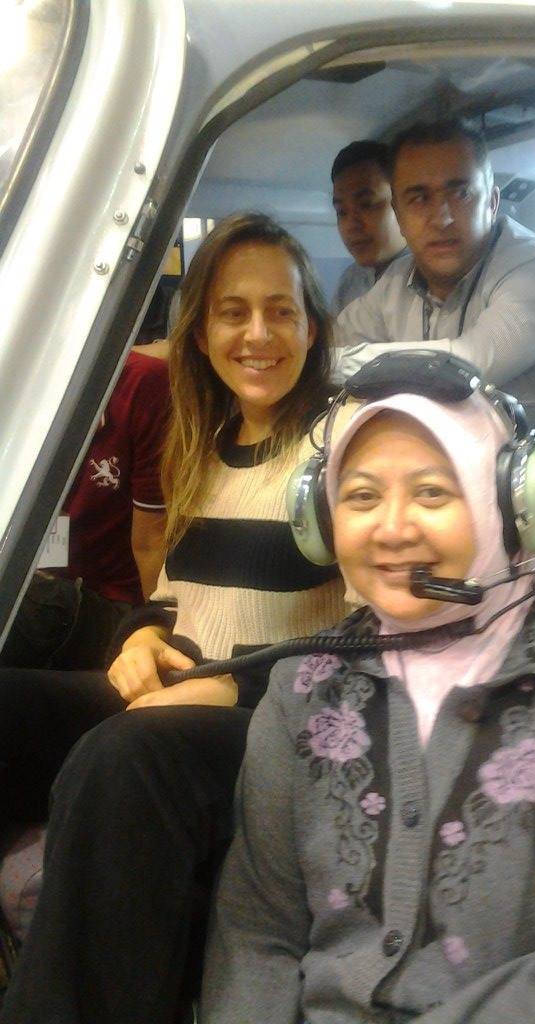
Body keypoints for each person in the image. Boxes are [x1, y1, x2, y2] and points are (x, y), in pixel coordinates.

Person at [201, 361, 535, 1024]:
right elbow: (255, 935)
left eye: (432, 493)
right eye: (360, 496)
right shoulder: (303, 688)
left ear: (515, 509)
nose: (392, 529)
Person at [0, 212, 348, 1024]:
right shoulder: (202, 441)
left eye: (281, 311)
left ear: (312, 327)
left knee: (126, 755)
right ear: (200, 332)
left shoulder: (345, 442)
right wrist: (142, 638)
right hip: (186, 687)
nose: (257, 334)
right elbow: (169, 594)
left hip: (282, 714)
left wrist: (236, 689)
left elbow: (379, 638)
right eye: (233, 312)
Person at [334, 119, 535, 467]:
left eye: (460, 193)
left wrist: (330, 364)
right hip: (485, 486)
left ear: (491, 202)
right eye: (419, 198)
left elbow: (467, 364)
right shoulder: (396, 283)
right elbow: (329, 341)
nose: (442, 218)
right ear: (399, 215)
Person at [0, 349, 169, 670]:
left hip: (102, 599)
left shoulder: (143, 384)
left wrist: (154, 631)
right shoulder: (17, 369)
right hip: (27, 575)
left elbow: (152, 541)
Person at [331, 140, 407, 315]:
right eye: (341, 212)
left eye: (366, 204)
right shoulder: (350, 283)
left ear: (403, 203)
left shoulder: (433, 278)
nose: (351, 225)